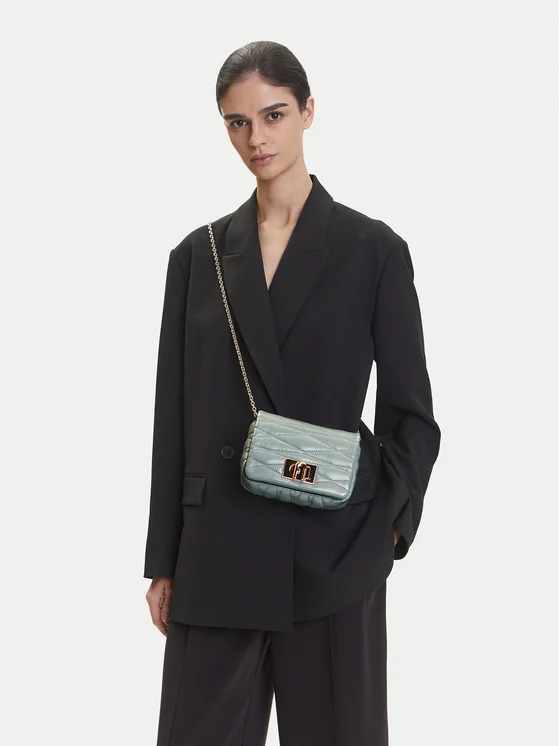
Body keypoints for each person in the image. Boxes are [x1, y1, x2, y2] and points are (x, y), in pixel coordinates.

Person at [143, 40, 441, 746]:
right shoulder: (197, 257)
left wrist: (386, 530)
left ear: (308, 111)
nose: (257, 137)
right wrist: (163, 559)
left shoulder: (373, 250)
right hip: (218, 554)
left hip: (336, 553)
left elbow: (411, 415)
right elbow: (172, 417)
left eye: (273, 114)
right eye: (237, 122)